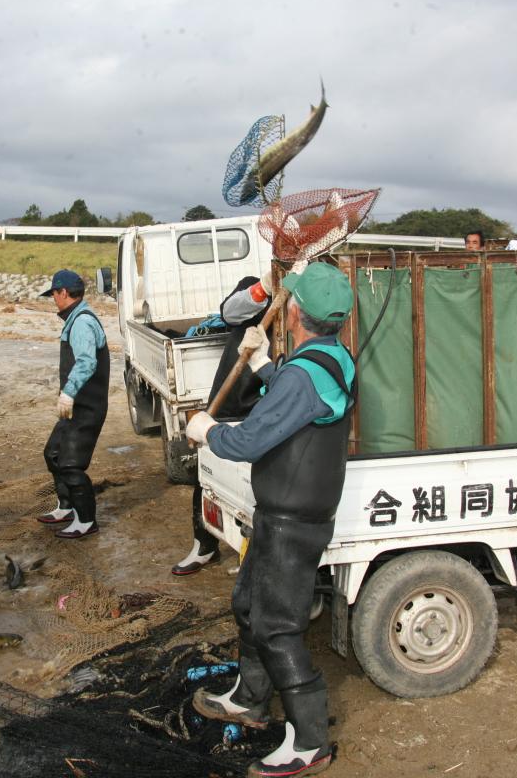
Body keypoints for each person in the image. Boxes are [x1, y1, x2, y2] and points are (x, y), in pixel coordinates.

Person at [186, 262, 356, 778]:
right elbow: (293, 396)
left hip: (291, 519)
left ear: (296, 312)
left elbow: (252, 438)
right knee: (248, 606)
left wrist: (207, 431)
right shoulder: (329, 358)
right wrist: (262, 365)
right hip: (283, 513)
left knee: (277, 628)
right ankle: (251, 698)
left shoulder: (306, 373)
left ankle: (310, 742)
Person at [172, 275, 271, 576]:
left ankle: (253, 556)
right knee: (207, 473)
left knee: (256, 486)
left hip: (268, 403)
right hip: (230, 397)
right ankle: (204, 546)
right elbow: (229, 312)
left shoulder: (306, 300)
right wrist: (263, 289)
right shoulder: (257, 287)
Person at [35, 269, 109, 540]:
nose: (53, 299)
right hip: (75, 408)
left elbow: (87, 362)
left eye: (54, 294)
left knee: (71, 465)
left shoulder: (81, 323)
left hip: (87, 407)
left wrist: (68, 393)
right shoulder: (75, 318)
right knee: (53, 454)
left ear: (63, 293)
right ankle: (66, 507)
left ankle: (87, 520)